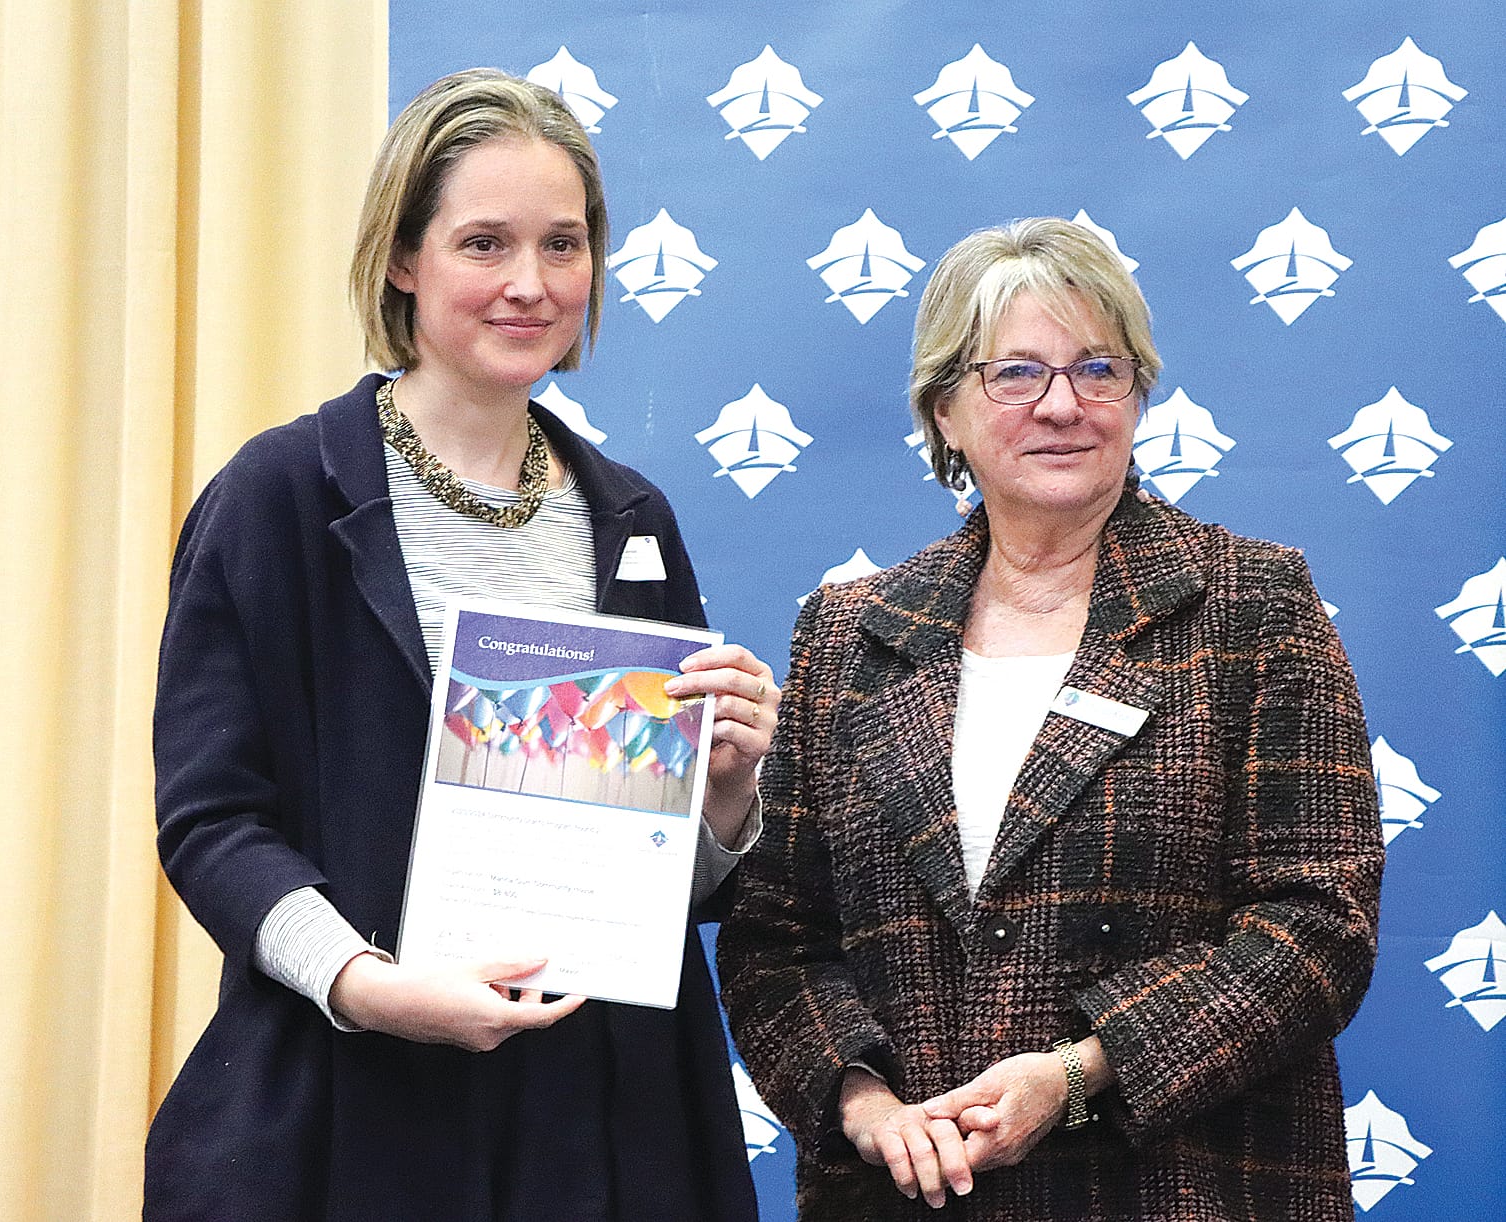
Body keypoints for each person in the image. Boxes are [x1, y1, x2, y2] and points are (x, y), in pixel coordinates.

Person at [147, 68, 775, 1221]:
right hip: (351, 1112)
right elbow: (211, 821)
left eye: (563, 245)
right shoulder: (275, 497)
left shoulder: (633, 521)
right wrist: (366, 984)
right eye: (484, 243)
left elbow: (655, 882)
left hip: (600, 1128)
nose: (531, 285)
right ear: (404, 258)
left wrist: (725, 797)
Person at [716, 217, 1384, 1220]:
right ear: (946, 409)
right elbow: (776, 940)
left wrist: (1077, 1071)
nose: (1063, 404)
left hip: (1179, 1190)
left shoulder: (1253, 602)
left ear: (1137, 393)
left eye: (1098, 369)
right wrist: (860, 1102)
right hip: (909, 1196)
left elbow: (1317, 925)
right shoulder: (849, 635)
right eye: (1017, 373)